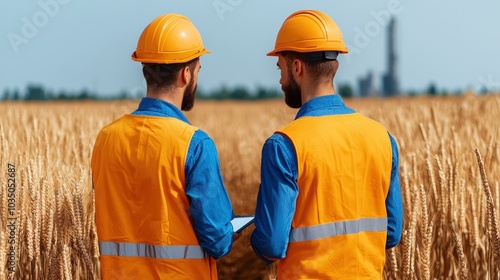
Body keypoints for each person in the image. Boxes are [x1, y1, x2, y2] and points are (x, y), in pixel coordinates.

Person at [250, 10, 404, 279]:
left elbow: (272, 245)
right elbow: (391, 233)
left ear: (297, 67)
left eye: (281, 69)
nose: (280, 80)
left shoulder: (284, 145)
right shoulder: (383, 138)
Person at [91, 14, 236, 280]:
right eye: (198, 70)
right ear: (186, 74)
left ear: (146, 71)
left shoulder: (105, 138)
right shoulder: (195, 144)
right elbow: (218, 242)